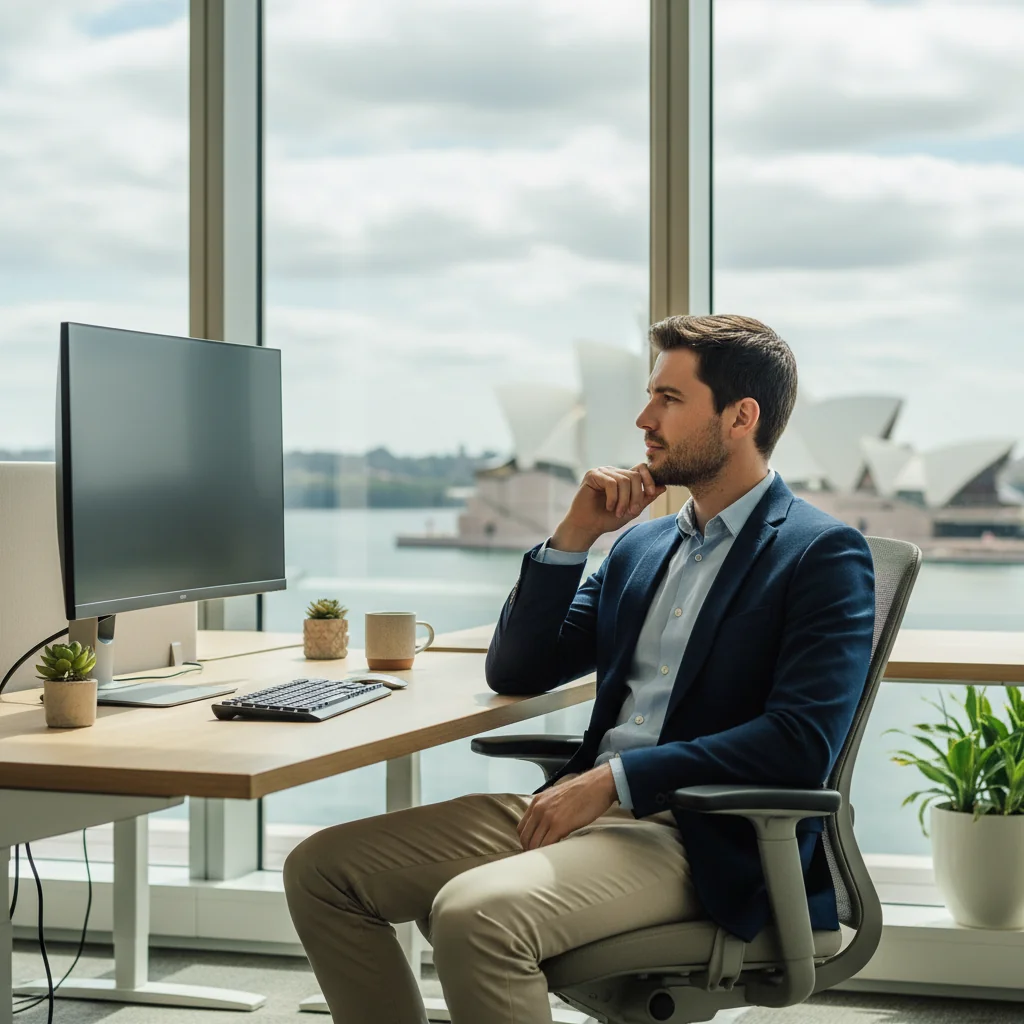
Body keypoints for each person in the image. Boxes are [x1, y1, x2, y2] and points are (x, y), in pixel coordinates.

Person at [283, 314, 876, 1024]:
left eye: (669, 399)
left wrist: (616, 780)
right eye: (649, 395)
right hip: (580, 808)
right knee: (323, 871)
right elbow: (519, 669)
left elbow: (801, 742)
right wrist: (572, 540)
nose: (643, 418)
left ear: (740, 416)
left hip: (700, 837)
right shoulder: (641, 547)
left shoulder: (820, 553)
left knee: (476, 917)